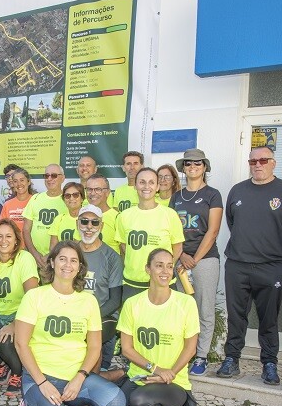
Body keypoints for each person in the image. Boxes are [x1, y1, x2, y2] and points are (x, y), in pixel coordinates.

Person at [12, 241, 126, 406]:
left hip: (75, 378)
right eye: (62, 259)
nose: (68, 265)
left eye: (74, 260)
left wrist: (80, 377)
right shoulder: (35, 297)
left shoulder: (88, 301)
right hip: (41, 378)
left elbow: (93, 347)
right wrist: (42, 382)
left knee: (117, 403)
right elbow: (21, 343)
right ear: (52, 262)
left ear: (80, 267)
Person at [215, 147, 282, 382]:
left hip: (271, 266)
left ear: (273, 163)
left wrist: (276, 247)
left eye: (263, 160)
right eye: (253, 160)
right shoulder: (238, 190)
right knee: (236, 316)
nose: (258, 164)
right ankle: (232, 358)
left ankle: (269, 363)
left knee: (268, 319)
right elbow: (233, 224)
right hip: (238, 265)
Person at [100, 249, 200, 406]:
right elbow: (127, 349)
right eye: (159, 265)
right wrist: (155, 369)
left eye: (170, 266)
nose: (165, 271)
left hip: (173, 382)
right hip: (140, 378)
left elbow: (191, 348)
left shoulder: (186, 303)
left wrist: (167, 374)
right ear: (148, 269)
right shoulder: (132, 304)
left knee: (139, 400)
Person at [169, 149, 225, 377]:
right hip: (181, 259)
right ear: (183, 167)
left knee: (204, 308)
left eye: (198, 163)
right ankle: (184, 353)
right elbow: (173, 231)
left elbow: (212, 231)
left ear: (205, 167)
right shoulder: (176, 197)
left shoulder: (213, 194)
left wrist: (194, 259)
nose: (193, 166)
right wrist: (181, 256)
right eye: (189, 163)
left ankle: (201, 356)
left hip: (204, 259)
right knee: (182, 309)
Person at [0, 219, 39, 396]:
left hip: (21, 313)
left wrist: (15, 324)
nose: (4, 241)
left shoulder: (24, 259)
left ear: (16, 240)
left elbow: (32, 297)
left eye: (9, 236)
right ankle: (2, 364)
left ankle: (18, 373)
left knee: (4, 339)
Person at [115, 167, 184, 301]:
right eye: (142, 182)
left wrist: (164, 270)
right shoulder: (124, 216)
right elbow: (123, 247)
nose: (146, 186)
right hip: (132, 284)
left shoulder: (170, 215)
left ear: (158, 186)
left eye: (151, 182)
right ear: (135, 186)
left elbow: (177, 247)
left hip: (162, 284)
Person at [77, 205, 123, 375]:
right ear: (77, 224)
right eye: (84, 221)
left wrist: (89, 318)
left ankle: (102, 374)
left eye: (95, 222)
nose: (89, 227)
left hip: (101, 317)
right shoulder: (69, 252)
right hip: (72, 314)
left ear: (101, 226)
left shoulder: (112, 257)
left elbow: (115, 300)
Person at [22, 164, 66, 266]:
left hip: (59, 260)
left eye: (54, 175)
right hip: (34, 258)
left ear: (63, 178)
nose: (49, 179)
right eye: (46, 176)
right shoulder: (35, 198)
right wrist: (35, 255)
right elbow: (26, 230)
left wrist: (51, 255)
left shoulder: (69, 199)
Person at [84, 174, 120, 253]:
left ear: (107, 192)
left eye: (98, 189)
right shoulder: (82, 216)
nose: (93, 193)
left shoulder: (117, 218)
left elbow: (124, 250)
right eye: (89, 189)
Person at [49, 182, 84, 249]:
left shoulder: (88, 219)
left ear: (82, 198)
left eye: (75, 195)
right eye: (67, 196)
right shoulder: (59, 219)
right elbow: (53, 248)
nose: (71, 198)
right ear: (64, 199)